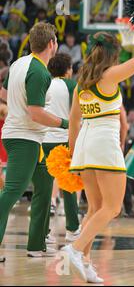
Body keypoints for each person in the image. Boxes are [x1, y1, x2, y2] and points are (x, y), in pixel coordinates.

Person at [63, 13, 134, 283]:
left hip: (84, 144)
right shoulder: (109, 76)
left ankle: (85, 261)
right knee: (113, 207)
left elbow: (74, 121)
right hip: (104, 141)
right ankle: (74, 247)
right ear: (110, 56)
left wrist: (72, 153)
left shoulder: (81, 83)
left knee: (95, 208)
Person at [0, 22, 61, 263]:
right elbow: (36, 113)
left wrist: (16, 107)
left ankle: (36, 245)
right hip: (24, 137)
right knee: (11, 192)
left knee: (45, 188)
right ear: (51, 44)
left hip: (32, 137)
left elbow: (4, 93)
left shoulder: (18, 64)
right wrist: (64, 123)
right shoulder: (39, 71)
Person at [42, 52, 81, 245]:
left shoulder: (44, 83)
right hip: (64, 140)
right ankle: (72, 229)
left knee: (44, 188)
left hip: (43, 140)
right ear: (68, 70)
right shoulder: (72, 85)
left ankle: (44, 233)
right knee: (69, 186)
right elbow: (77, 116)